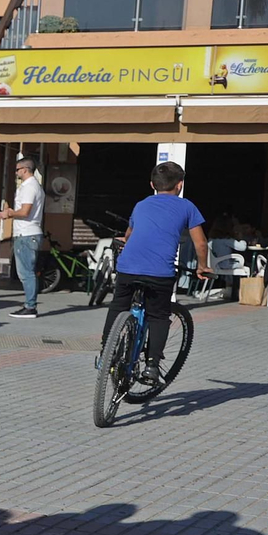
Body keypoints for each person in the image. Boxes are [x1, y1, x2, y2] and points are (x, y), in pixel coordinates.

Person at [101, 162, 211, 380]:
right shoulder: (187, 207)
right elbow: (200, 244)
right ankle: (152, 366)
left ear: (152, 184)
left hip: (128, 267)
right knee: (158, 315)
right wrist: (203, 266)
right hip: (159, 272)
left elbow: (129, 235)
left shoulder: (141, 205)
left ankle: (106, 350)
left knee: (118, 306)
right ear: (179, 185)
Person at [0, 157, 44, 318]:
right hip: (28, 233)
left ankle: (30, 306)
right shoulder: (34, 186)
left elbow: (25, 211)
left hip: (26, 234)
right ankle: (29, 304)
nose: (16, 172)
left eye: (17, 169)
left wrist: (9, 213)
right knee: (27, 272)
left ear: (25, 169)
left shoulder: (29, 187)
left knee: (26, 272)